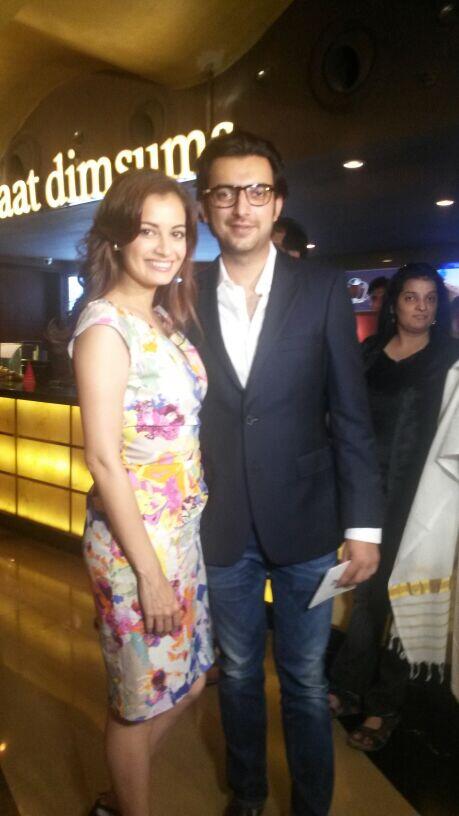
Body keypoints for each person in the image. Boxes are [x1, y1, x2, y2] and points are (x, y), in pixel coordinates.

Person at [193, 129, 383, 816]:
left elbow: (350, 416)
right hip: (221, 524)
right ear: (205, 205)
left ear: (276, 203)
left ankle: (311, 805)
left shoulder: (324, 289)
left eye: (256, 191)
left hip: (307, 522)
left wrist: (363, 527)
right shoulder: (182, 293)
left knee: (303, 679)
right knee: (239, 674)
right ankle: (245, 794)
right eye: (224, 192)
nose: (240, 206)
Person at [68, 169, 213, 816]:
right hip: (135, 550)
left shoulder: (159, 316)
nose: (165, 246)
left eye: (177, 232)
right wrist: (149, 575)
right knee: (138, 700)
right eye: (148, 230)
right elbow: (103, 458)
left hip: (181, 537)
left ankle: (119, 793)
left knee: (188, 678)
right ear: (119, 237)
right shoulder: (104, 327)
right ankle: (129, 807)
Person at [329, 263, 459, 752]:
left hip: (422, 499)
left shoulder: (451, 359)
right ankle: (347, 686)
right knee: (366, 593)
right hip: (366, 494)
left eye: (429, 298)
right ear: (394, 302)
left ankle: (386, 706)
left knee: (402, 597)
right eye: (410, 297)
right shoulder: (369, 355)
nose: (420, 307)